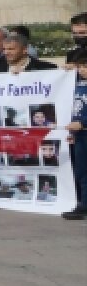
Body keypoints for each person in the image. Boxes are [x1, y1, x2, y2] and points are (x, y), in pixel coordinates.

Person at [62, 48, 87, 220]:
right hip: (78, 135)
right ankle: (83, 204)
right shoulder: (77, 82)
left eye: (85, 66)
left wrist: (83, 123)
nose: (82, 69)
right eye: (80, 66)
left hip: (84, 129)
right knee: (81, 171)